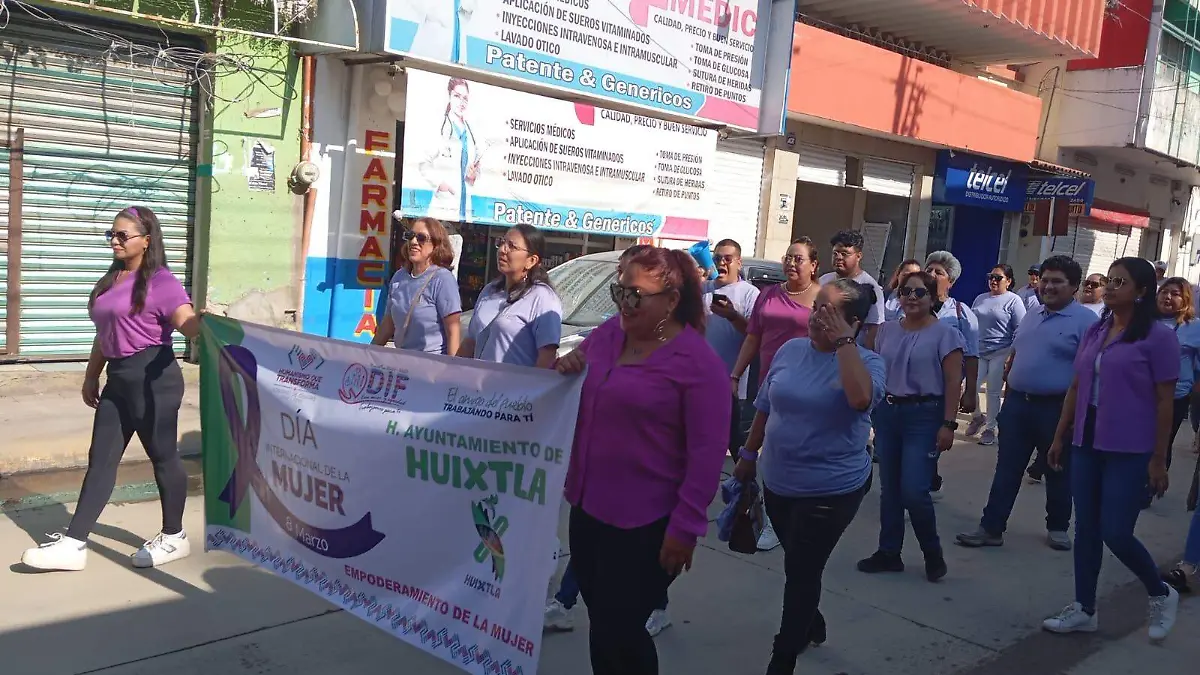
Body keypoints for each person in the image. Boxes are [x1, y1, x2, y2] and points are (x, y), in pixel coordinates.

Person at [554, 247, 730, 675]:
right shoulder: (607, 336)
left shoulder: (697, 363)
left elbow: (706, 456)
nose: (623, 304)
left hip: (647, 525)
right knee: (605, 626)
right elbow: (576, 384)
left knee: (620, 628)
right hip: (589, 509)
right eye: (619, 292)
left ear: (670, 301)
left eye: (635, 295)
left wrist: (686, 527)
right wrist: (569, 365)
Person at [21, 206, 200, 572]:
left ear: (147, 240)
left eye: (123, 235)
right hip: (118, 379)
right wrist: (91, 375)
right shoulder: (112, 279)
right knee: (100, 458)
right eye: (111, 235)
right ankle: (74, 544)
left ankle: (174, 535)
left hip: (155, 379)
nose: (114, 241)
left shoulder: (162, 281)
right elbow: (104, 335)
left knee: (163, 456)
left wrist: (207, 322)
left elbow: (188, 323)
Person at [732, 279, 884, 674]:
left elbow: (860, 399)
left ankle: (782, 657)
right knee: (799, 564)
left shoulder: (867, 363)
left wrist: (844, 344)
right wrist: (748, 454)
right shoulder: (790, 350)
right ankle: (810, 621)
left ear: (852, 322)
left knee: (802, 570)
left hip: (832, 488)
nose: (817, 315)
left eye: (829, 311)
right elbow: (766, 404)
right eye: (816, 306)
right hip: (779, 481)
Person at [1041, 257, 1181, 643]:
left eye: (1122, 281)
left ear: (1141, 291)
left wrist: (1158, 458)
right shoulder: (1097, 329)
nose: (1112, 286)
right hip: (1086, 440)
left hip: (1129, 446)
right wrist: (1059, 435)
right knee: (1085, 528)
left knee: (1116, 532)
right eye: (1110, 280)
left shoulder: (1158, 336)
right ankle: (1084, 608)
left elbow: (1164, 401)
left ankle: (1159, 591)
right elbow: (1076, 386)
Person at [956, 256, 1096, 552]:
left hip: (1057, 409)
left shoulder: (1086, 323)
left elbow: (1090, 374)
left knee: (1057, 468)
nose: (1048, 286)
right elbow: (1017, 353)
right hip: (1019, 404)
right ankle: (991, 527)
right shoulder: (1033, 313)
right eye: (1045, 279)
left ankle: (1058, 526)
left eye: (1057, 281)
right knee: (1007, 469)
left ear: (1074, 286)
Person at [857, 271, 964, 583]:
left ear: (933, 298)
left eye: (920, 293)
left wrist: (948, 424)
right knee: (889, 488)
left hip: (925, 416)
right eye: (906, 292)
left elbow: (952, 381)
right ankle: (889, 552)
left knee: (914, 490)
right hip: (889, 414)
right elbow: (875, 370)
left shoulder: (946, 334)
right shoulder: (886, 331)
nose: (912, 298)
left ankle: (932, 553)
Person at [729, 237, 821, 551]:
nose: (792, 264)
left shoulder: (822, 298)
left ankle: (798, 511)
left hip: (806, 386)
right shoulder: (768, 295)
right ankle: (770, 518)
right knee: (762, 451)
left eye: (799, 259)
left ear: (813, 265)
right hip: (767, 383)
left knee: (795, 452)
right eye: (789, 258)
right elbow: (753, 337)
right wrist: (736, 373)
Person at [458, 224, 561, 368]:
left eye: (512, 246)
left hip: (515, 388)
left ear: (531, 260)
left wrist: (530, 390)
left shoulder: (543, 298)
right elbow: (470, 343)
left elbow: (547, 356)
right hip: (477, 386)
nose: (502, 250)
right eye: (501, 242)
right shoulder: (490, 290)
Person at [924, 251, 979, 498]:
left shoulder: (961, 313)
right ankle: (928, 480)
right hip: (910, 386)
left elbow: (972, 355)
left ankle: (925, 484)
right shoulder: (911, 305)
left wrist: (970, 392)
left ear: (951, 281)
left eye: (939, 272)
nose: (932, 275)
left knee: (930, 439)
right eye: (929, 270)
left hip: (942, 390)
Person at [372, 217, 461, 354]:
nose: (413, 242)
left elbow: (453, 332)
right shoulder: (399, 277)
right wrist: (366, 355)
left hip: (432, 366)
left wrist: (452, 371)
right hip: (404, 364)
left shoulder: (443, 280)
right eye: (410, 236)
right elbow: (388, 325)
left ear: (436, 245)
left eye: (421, 238)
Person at [1147, 277, 1200, 508]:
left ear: (1185, 300)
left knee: (1162, 440)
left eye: (1175, 294)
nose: (1167, 297)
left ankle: (1150, 486)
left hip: (1174, 396)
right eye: (1164, 292)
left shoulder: (1194, 327)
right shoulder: (1144, 322)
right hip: (1140, 393)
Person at [705, 239, 761, 456]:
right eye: (717, 258)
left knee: (736, 442)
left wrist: (732, 316)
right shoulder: (703, 289)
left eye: (727, 258)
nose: (722, 262)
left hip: (736, 383)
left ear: (738, 262)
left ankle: (745, 486)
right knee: (706, 442)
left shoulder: (750, 293)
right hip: (704, 381)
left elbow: (754, 334)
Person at [966, 264, 1026, 445]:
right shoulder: (980, 298)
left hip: (1001, 351)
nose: (993, 280)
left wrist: (1012, 354)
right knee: (971, 386)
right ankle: (977, 417)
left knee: (992, 391)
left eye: (998, 277)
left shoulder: (1013, 301)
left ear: (1008, 281)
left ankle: (990, 428)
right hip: (979, 351)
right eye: (991, 276)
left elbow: (1021, 328)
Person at [419, 77, 486, 223]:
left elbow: (478, 165)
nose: (462, 102)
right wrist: (440, 184)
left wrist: (474, 175)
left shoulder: (471, 131)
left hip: (464, 211)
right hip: (442, 209)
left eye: (465, 98)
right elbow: (423, 163)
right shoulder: (440, 127)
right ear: (449, 96)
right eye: (457, 96)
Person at [817, 230, 886, 349]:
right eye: (835, 253)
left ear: (858, 256)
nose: (838, 257)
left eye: (845, 254)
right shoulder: (823, 280)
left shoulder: (870, 286)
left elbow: (873, 329)